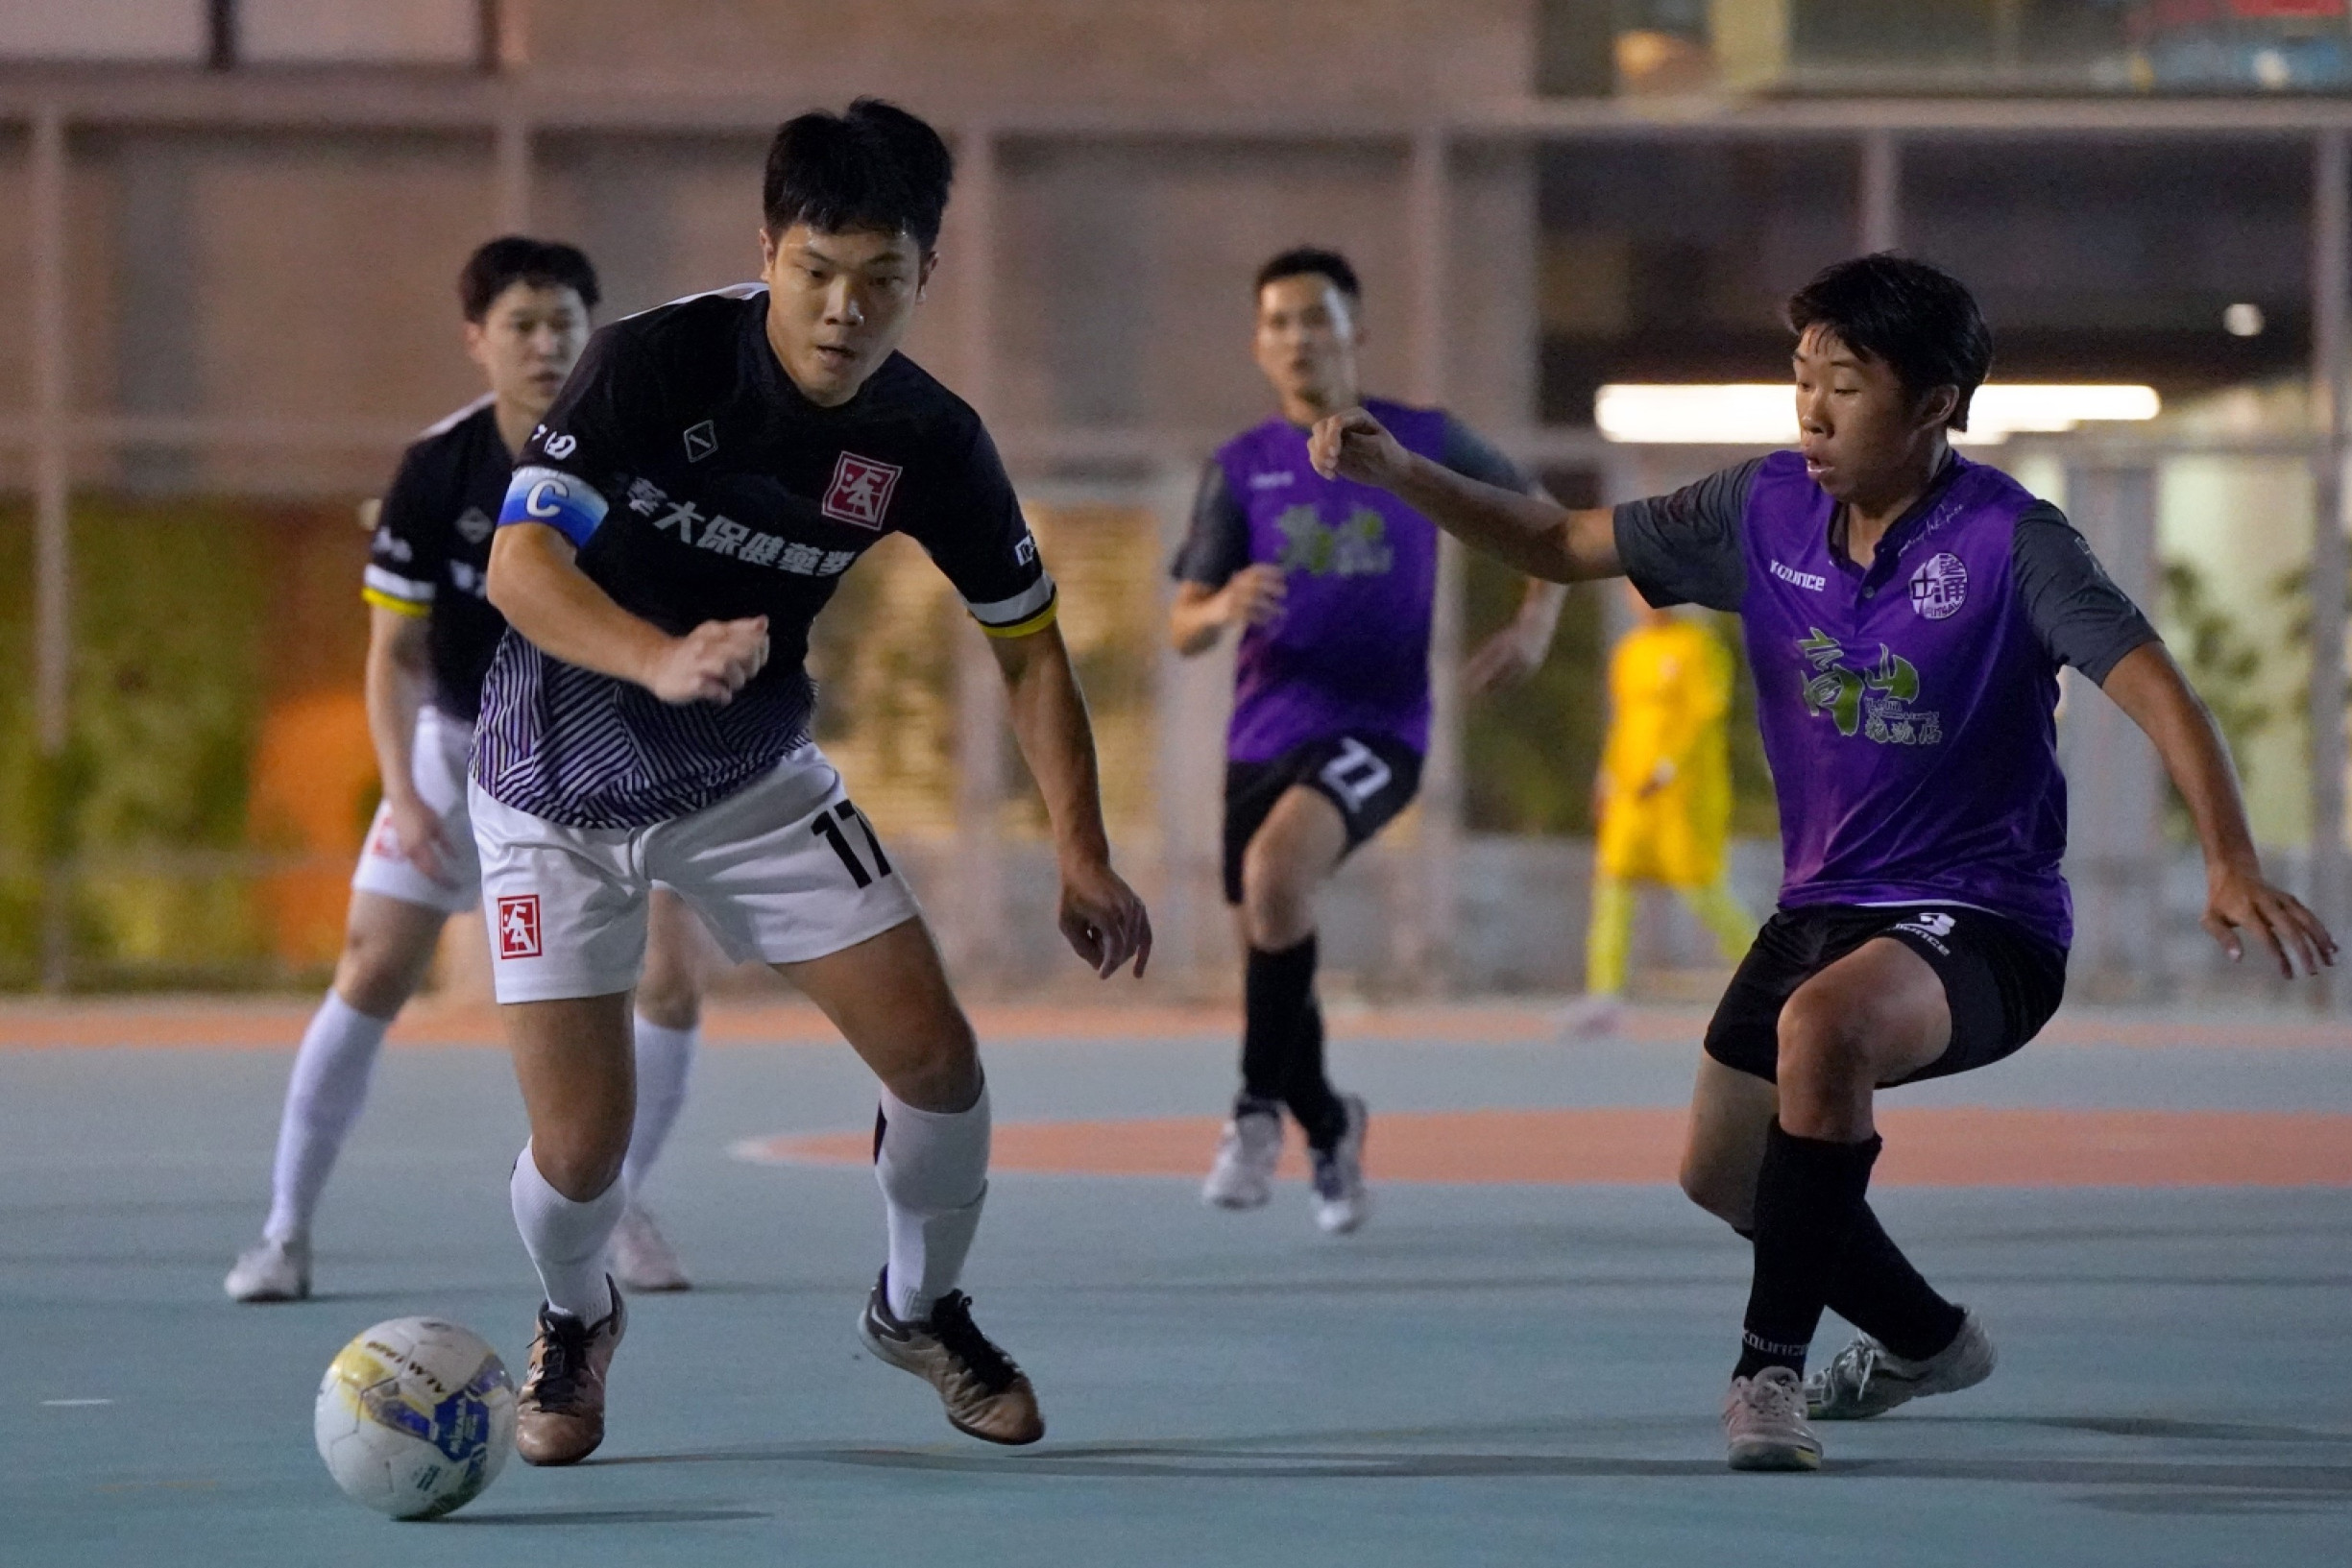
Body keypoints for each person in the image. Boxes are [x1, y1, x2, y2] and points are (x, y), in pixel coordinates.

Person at [1308, 253, 2335, 1471]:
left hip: (1984, 919)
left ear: (1935, 403)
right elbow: (1552, 540)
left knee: (1822, 1030)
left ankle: (1766, 1373)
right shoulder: (1760, 509)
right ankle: (1928, 1339)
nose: (1811, 410)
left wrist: (2228, 858)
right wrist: (1401, 472)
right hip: (1821, 909)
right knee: (1722, 1171)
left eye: (1844, 386)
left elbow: (2157, 685)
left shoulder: (2012, 540)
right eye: (1802, 379)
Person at [475, 100, 1151, 1467]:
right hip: (550, 788)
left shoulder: (929, 439)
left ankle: (918, 1309)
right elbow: (518, 567)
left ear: (925, 274)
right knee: (582, 1150)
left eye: (880, 279)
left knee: (939, 1064)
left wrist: (1082, 849)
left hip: (748, 778)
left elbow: (1027, 646)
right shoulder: (651, 363)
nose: (845, 310)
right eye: (816, 271)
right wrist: (657, 657)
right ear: (768, 251)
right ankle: (573, 1314)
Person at [224, 237, 710, 1303]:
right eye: (521, 326)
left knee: (671, 981)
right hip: (458, 747)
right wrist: (403, 792)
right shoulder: (437, 469)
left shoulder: (643, 461)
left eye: (563, 325)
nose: (544, 345)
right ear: (476, 341)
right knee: (371, 965)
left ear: (590, 335)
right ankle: (283, 1232)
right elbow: (391, 653)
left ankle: (619, 1202)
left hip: (606, 752)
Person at [1171, 246, 1567, 1235]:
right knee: (1274, 940)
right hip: (1262, 735)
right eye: (1279, 322)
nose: (1298, 337)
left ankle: (1253, 1114)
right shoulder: (1241, 469)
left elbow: (1547, 524)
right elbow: (1183, 625)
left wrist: (1532, 625)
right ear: (1258, 344)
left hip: (1378, 728)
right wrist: (1221, 602)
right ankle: (1329, 1122)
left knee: (1275, 876)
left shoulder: (1420, 440)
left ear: (1356, 330)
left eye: (1317, 317)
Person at [1557, 585, 1755, 1039]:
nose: (1645, 600)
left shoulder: (1698, 647)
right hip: (1631, 792)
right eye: (1637, 591)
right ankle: (1604, 996)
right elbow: (1622, 722)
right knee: (1612, 885)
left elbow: (1704, 717)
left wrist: (1667, 769)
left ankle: (1773, 976)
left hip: (1681, 793)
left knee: (1702, 888)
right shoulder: (1630, 652)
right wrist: (1607, 776)